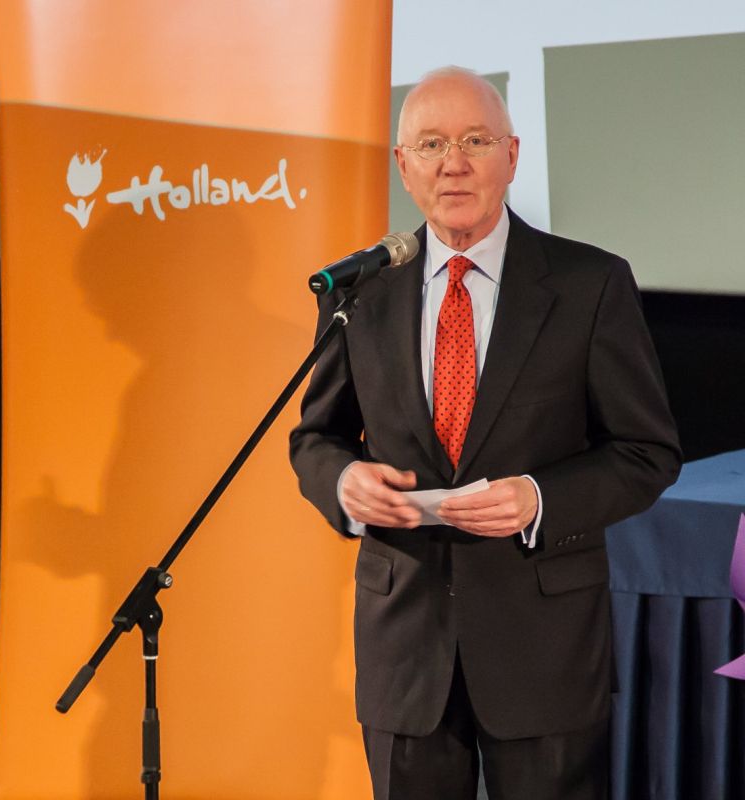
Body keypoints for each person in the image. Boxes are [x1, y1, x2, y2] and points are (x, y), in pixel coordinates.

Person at [289, 66, 681, 800]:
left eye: (475, 140)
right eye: (431, 144)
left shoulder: (589, 284)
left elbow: (647, 452)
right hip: (406, 648)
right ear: (403, 165)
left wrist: (539, 498)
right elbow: (316, 437)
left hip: (545, 650)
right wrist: (343, 482)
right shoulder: (360, 290)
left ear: (512, 154)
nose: (454, 163)